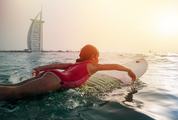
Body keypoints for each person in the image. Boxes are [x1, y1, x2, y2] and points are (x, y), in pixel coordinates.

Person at [0, 44, 136, 100]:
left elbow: (57, 65)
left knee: (14, 87)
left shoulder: (74, 64)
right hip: (56, 80)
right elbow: (114, 65)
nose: (98, 59)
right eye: (97, 56)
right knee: (15, 93)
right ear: (94, 57)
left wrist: (40, 69)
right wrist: (128, 69)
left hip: (51, 75)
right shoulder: (92, 66)